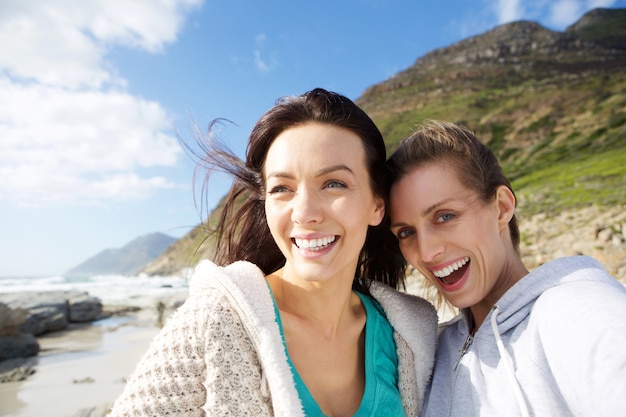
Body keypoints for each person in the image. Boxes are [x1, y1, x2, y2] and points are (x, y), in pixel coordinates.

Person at [109, 88, 438, 417]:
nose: (305, 212)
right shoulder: (214, 322)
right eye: (283, 189)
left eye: (334, 183)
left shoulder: (412, 334)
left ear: (376, 206)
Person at [387, 120, 626, 417]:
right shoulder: (428, 350)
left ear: (501, 207)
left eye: (445, 216)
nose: (426, 251)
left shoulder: (575, 310)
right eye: (406, 232)